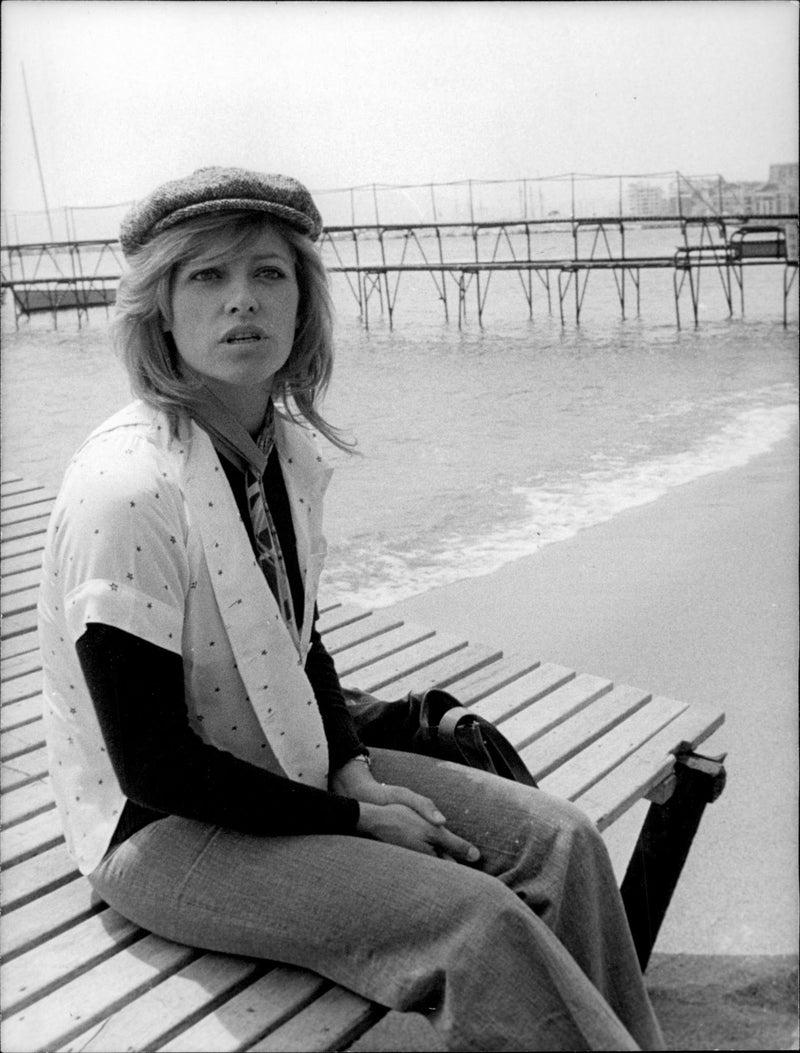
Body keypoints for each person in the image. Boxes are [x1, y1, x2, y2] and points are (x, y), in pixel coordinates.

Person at [38, 166, 665, 1052]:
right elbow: (152, 766)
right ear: (160, 311)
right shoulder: (127, 488)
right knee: (473, 922)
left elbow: (300, 642)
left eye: (268, 273)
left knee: (562, 840)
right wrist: (357, 819)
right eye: (206, 277)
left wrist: (354, 766)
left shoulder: (276, 448)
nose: (241, 302)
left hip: (279, 766)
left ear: (303, 303)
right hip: (164, 833)